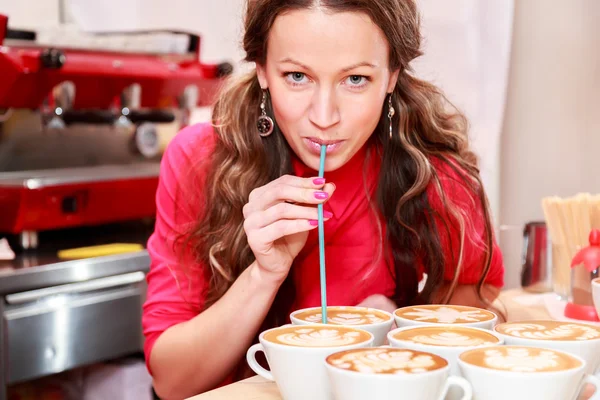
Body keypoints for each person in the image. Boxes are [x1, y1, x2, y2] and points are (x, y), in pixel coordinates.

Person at [143, 0, 505, 398]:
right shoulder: (200, 159)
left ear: (391, 76)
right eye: (297, 76)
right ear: (262, 70)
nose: (325, 116)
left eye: (355, 79)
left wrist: (402, 329)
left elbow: (477, 308)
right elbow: (172, 381)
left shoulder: (433, 172)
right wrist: (263, 275)